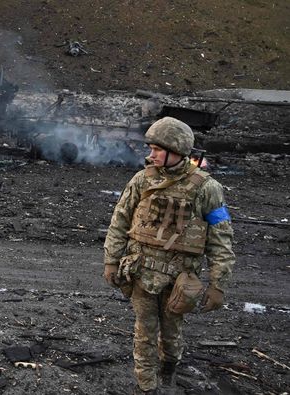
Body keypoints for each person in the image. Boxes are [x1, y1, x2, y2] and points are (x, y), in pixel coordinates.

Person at [102, 117, 235, 394]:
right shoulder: (142, 180)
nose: (150, 155)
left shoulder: (207, 188)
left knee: (172, 335)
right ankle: (146, 386)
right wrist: (111, 260)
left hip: (180, 278)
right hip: (141, 271)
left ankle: (169, 368)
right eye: (150, 148)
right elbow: (120, 220)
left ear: (177, 151)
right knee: (144, 333)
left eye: (157, 150)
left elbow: (221, 238)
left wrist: (217, 284)